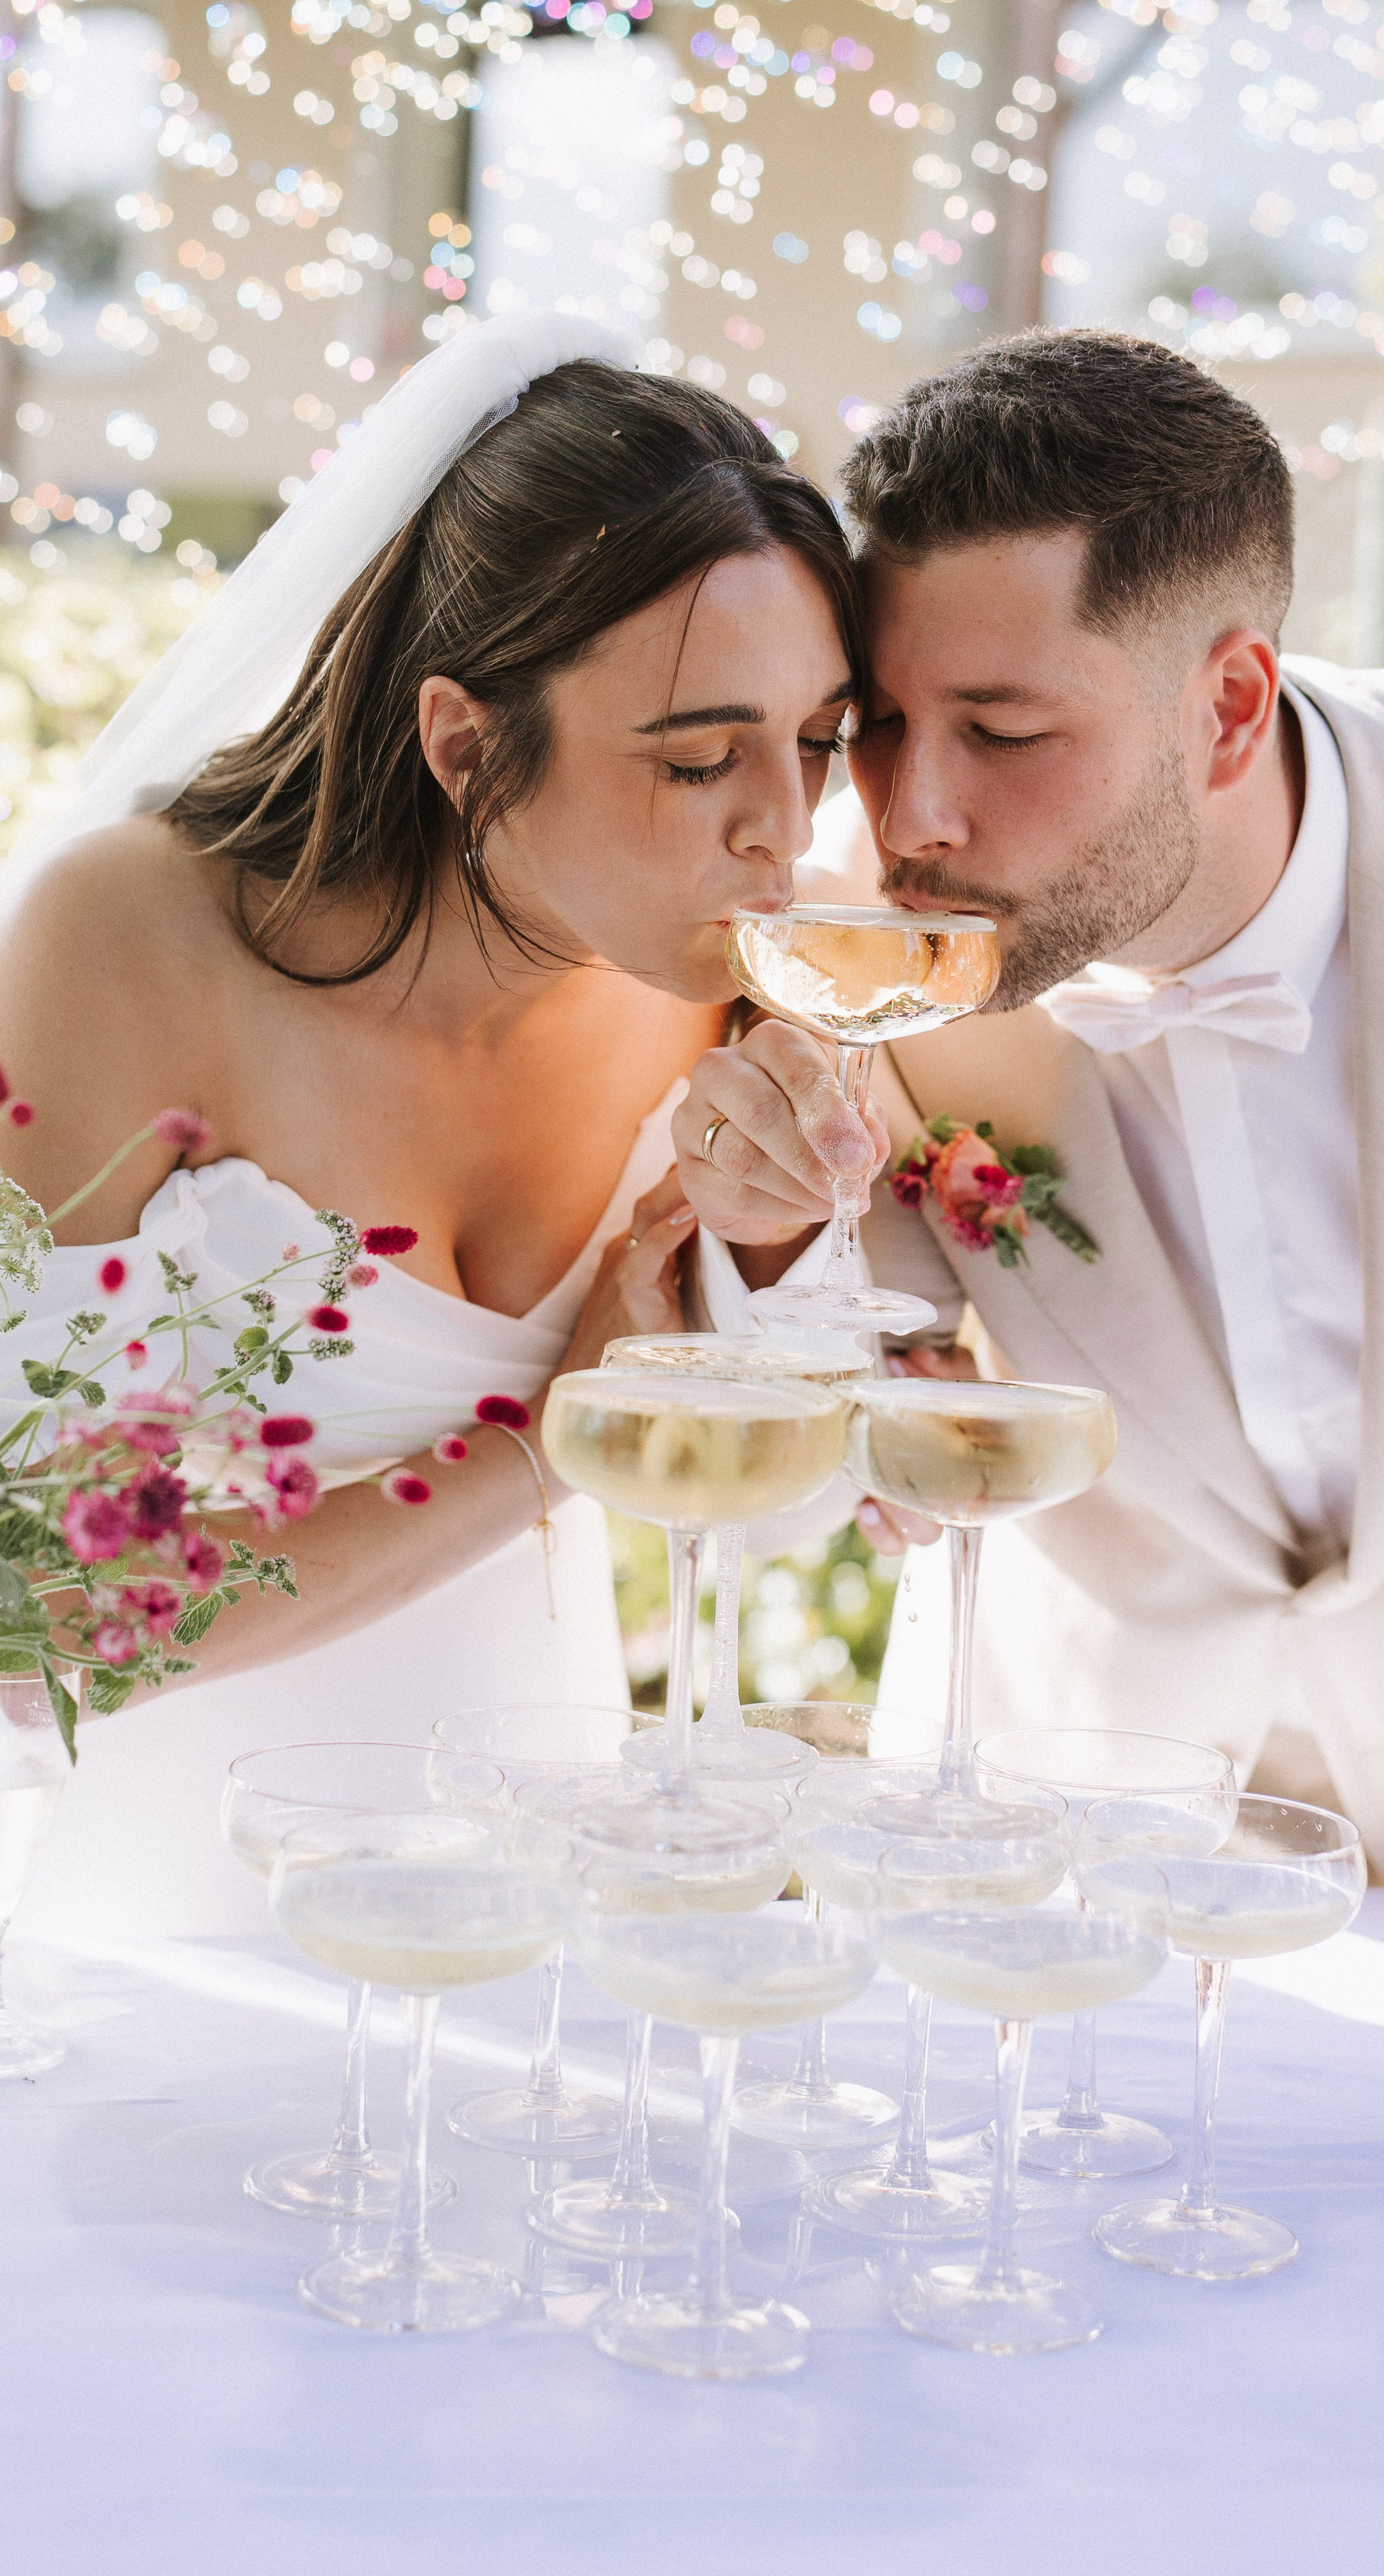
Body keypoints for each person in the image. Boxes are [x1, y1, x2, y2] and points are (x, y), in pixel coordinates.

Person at [675, 325, 1384, 1965]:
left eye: (1002, 733)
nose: (907, 814)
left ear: (1228, 704)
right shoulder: (853, 944)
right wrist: (781, 1270)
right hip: (1040, 1855)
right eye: (874, 722)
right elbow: (829, 1376)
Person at [0, 313, 862, 1936]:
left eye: (815, 741)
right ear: (467, 744)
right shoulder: (123, 939)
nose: (787, 826)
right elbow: (42, 1616)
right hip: (194, 1920)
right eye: (698, 761)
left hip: (555, 1910)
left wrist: (778, 1253)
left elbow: (815, 1504)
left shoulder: (746, 977)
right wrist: (542, 1448)